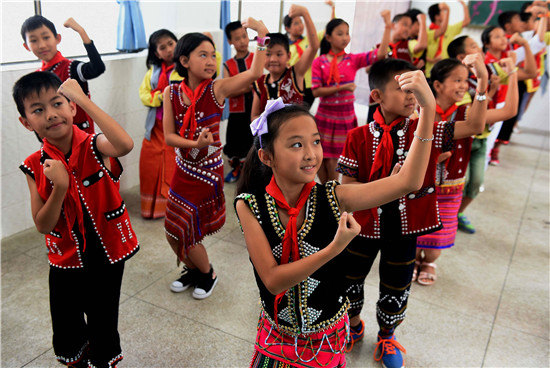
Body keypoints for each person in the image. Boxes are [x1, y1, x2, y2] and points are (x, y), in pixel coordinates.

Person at [235, 65, 436, 366]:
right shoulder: (249, 205)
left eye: (315, 141)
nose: (311, 154)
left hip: (328, 338)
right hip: (278, 339)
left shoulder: (334, 196)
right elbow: (274, 281)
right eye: (296, 144)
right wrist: (335, 248)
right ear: (266, 157)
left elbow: (408, 182)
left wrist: (429, 110)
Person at [336, 56, 488, 367]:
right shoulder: (358, 136)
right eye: (403, 89)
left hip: (406, 228)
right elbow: (346, 193)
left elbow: (475, 125)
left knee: (397, 283)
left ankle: (387, 335)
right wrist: (388, 181)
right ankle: (352, 326)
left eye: (414, 89)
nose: (411, 97)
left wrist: (482, 83)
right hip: (363, 225)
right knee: (350, 280)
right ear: (377, 96)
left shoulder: (426, 130)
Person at [14, 72, 138, 368]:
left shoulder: (96, 145)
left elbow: (125, 144)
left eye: (58, 103)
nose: (51, 114)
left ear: (71, 108)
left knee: (102, 318)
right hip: (65, 258)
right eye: (38, 109)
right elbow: (43, 224)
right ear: (25, 121)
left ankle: (103, 361)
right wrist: (60, 188)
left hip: (106, 254)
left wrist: (81, 98)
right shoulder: (34, 165)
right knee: (66, 321)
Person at [164, 19, 269, 299]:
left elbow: (256, 71)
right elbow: (169, 137)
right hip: (183, 168)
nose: (211, 61)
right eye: (203, 55)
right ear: (184, 60)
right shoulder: (171, 92)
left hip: (207, 171)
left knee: (191, 228)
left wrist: (262, 35)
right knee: (172, 229)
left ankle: (207, 273)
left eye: (213, 55)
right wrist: (193, 143)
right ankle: (194, 270)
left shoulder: (217, 88)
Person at [415, 56, 518, 285]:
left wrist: (511, 75)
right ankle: (413, 261)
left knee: (436, 240)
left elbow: (509, 111)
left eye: (465, 80)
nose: (463, 85)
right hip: (419, 184)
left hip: (450, 189)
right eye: (457, 80)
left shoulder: (468, 114)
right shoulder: (419, 111)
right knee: (414, 231)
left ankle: (430, 261)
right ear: (438, 85)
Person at [312, 17, 390, 184]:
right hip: (324, 116)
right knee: (319, 155)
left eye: (347, 33)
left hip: (344, 116)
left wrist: (388, 28)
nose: (345, 37)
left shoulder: (352, 59)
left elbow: (380, 54)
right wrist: (343, 88)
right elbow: (316, 91)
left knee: (334, 159)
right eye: (340, 33)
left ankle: (330, 191)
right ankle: (328, 191)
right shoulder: (319, 62)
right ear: (328, 38)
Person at [21, 15, 105, 135]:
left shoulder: (72, 67)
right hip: (54, 142)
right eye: (34, 40)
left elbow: (97, 68)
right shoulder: (36, 78)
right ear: (26, 46)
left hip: (83, 138)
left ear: (57, 38)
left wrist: (81, 32)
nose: (42, 45)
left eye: (46, 37)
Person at [138, 29, 182, 219]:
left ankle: (171, 206)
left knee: (173, 165)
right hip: (155, 128)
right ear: (156, 53)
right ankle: (151, 208)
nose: (168, 49)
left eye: (171, 44)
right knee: (150, 165)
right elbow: (143, 94)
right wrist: (159, 97)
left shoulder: (186, 68)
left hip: (177, 129)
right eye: (163, 47)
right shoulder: (152, 72)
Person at [251, 4, 319, 120]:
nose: (273, 59)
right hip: (272, 137)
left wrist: (305, 13)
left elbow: (313, 47)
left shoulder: (295, 74)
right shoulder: (260, 82)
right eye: (268, 54)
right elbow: (254, 116)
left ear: (288, 56)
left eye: (279, 54)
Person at [481, 25, 536, 166]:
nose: (503, 39)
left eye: (503, 36)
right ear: (487, 44)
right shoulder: (489, 63)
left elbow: (531, 72)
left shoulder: (507, 58)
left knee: (489, 144)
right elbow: (530, 73)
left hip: (501, 105)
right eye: (497, 37)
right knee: (486, 145)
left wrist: (525, 44)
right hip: (490, 107)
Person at [284, 0, 335, 107]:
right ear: (287, 28)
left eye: (301, 22)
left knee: (305, 110)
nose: (301, 26)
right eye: (296, 23)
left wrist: (333, 9)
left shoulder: (310, 40)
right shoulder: (286, 47)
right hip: (295, 84)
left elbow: (330, 29)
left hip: (311, 83)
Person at [222, 20, 255, 183]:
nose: (242, 41)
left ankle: (250, 173)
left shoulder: (256, 58)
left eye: (244, 36)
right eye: (237, 38)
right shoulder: (228, 65)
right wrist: (246, 88)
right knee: (235, 142)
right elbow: (227, 91)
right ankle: (236, 170)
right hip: (237, 111)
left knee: (253, 141)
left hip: (256, 110)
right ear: (230, 42)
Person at [425, 0, 470, 78]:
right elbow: (420, 52)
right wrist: (447, 10)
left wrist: (464, 5)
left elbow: (466, 21)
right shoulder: (428, 32)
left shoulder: (449, 29)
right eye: (443, 12)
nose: (445, 13)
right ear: (437, 16)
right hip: (431, 70)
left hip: (446, 69)